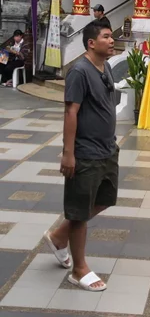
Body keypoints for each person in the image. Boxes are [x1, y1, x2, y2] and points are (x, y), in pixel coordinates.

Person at [45, 20, 117, 292]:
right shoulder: (79, 71)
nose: (111, 40)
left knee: (104, 200)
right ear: (91, 43)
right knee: (79, 212)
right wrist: (68, 153)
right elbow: (70, 112)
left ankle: (58, 237)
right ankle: (79, 270)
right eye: (106, 36)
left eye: (111, 36)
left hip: (107, 149)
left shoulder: (106, 66)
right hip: (85, 152)